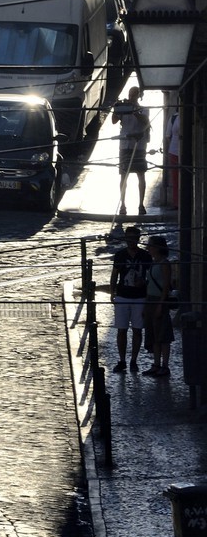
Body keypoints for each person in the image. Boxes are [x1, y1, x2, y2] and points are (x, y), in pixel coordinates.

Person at [109, 223, 151, 373]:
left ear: (138, 239)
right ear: (125, 239)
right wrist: (112, 292)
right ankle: (122, 360)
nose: (131, 241)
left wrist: (144, 284)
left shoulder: (145, 256)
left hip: (140, 297)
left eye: (134, 238)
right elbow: (114, 274)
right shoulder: (120, 255)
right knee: (122, 330)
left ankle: (133, 360)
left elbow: (150, 277)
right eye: (129, 238)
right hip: (122, 296)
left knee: (138, 330)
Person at [112, 85, 150, 217]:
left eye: (134, 94)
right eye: (130, 94)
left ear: (139, 95)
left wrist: (134, 110)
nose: (131, 96)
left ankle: (141, 204)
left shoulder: (144, 109)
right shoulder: (124, 108)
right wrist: (117, 109)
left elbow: (145, 121)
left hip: (138, 146)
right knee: (123, 175)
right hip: (124, 145)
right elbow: (114, 121)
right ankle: (122, 204)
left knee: (141, 174)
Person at [143, 234, 174, 378]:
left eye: (150, 245)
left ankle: (165, 366)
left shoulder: (164, 264)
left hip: (159, 301)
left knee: (163, 335)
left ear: (157, 248)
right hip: (150, 300)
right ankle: (156, 364)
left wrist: (161, 305)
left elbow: (167, 285)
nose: (148, 248)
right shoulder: (153, 263)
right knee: (153, 334)